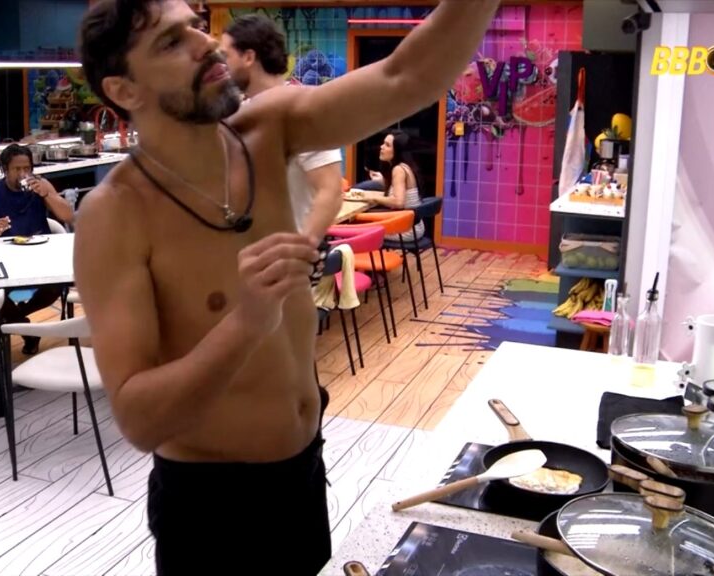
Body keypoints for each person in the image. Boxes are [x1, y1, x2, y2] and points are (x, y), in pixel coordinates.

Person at [75, 0, 497, 573]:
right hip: (212, 510)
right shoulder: (116, 214)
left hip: (303, 472)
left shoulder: (268, 130)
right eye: (172, 42)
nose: (206, 43)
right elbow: (139, 419)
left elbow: (406, 76)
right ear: (124, 89)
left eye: (196, 26)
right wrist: (247, 321)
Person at [220, 14, 344, 242]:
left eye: (226, 56)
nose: (222, 65)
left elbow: (332, 191)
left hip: (281, 252)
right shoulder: (240, 112)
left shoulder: (302, 112)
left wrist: (300, 249)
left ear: (248, 57)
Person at [0, 143, 74, 354]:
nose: (22, 173)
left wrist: (47, 195)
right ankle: (26, 329)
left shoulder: (41, 185)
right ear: (5, 169)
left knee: (54, 287)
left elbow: (67, 216)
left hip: (40, 255)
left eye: (27, 168)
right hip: (6, 259)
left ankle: (13, 319)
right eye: (17, 169)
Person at [361, 130, 426, 241]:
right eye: (383, 143)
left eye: (387, 145)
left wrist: (373, 198)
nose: (381, 147)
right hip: (414, 226)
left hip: (406, 230)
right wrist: (382, 180)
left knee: (359, 229)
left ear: (397, 151)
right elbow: (400, 188)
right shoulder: (405, 166)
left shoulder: (398, 169)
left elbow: (399, 202)